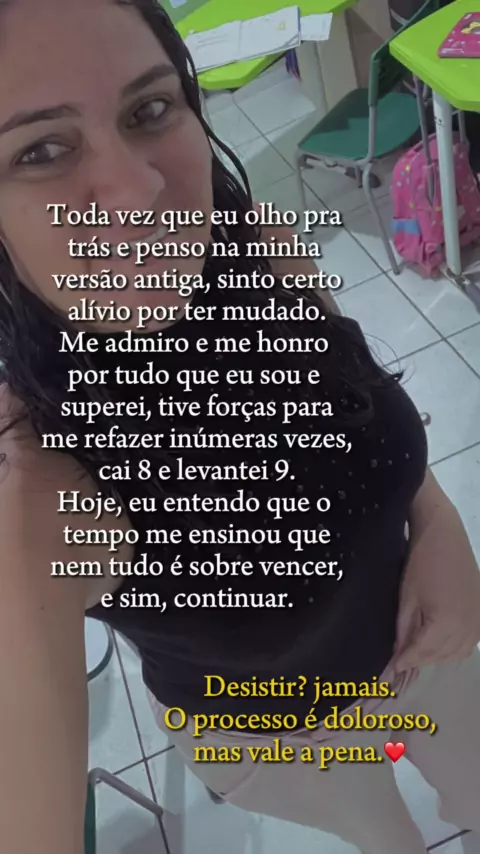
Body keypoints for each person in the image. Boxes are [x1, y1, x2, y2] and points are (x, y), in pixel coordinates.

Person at [1, 2, 480, 854]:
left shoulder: (257, 246)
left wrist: (438, 522)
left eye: (149, 108)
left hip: (428, 636)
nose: (139, 191)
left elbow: (362, 403)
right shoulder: (43, 476)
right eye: (40, 150)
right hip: (277, 742)